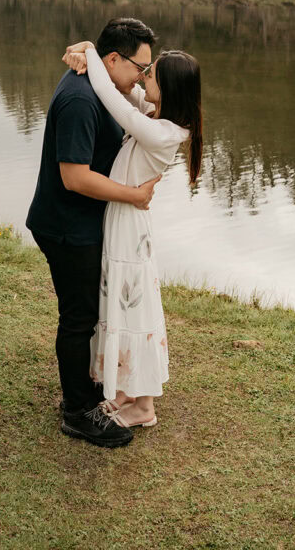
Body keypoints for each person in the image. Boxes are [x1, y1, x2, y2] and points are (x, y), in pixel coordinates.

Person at [26, 17, 160, 449]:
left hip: (84, 221)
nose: (142, 76)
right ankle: (77, 412)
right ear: (114, 59)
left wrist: (85, 47)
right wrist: (133, 196)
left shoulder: (104, 84)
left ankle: (90, 390)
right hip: (65, 225)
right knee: (78, 318)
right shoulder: (80, 99)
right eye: (140, 68)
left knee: (86, 312)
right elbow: (74, 177)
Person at [62, 38, 202, 430]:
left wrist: (91, 51)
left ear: (168, 89)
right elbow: (126, 91)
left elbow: (113, 97)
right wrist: (87, 51)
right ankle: (124, 392)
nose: (142, 78)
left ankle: (143, 407)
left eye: (150, 74)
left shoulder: (163, 132)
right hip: (121, 219)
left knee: (131, 306)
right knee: (119, 303)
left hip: (129, 226)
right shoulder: (157, 117)